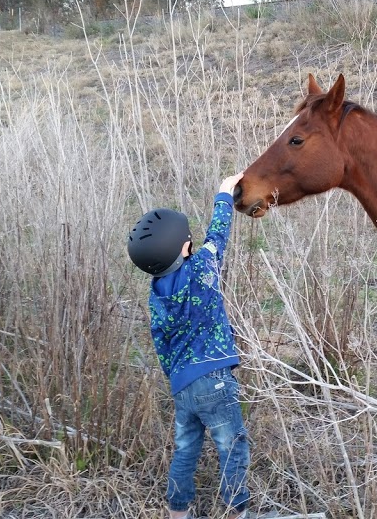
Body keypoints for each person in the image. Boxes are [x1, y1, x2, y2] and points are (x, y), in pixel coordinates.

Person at [127, 173, 249, 519]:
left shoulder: (157, 296)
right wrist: (224, 195)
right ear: (184, 248)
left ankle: (177, 513)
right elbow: (218, 236)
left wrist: (176, 376)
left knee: (185, 449)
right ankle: (238, 511)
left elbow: (161, 343)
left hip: (182, 384)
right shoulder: (201, 268)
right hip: (214, 379)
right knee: (232, 445)